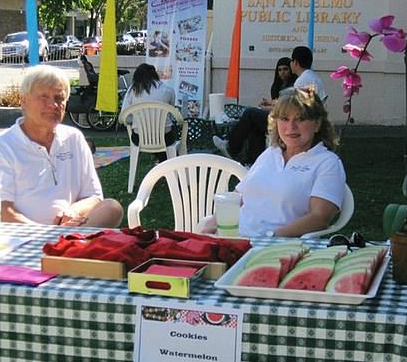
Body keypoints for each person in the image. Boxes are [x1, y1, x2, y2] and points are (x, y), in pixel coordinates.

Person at [0, 65, 123, 227]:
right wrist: (44, 233)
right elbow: (1, 210)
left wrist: (74, 211)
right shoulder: (1, 146)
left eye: (59, 98)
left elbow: (93, 196)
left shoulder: (74, 139)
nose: (53, 105)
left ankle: (67, 247)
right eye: (44, 97)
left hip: (72, 229)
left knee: (112, 208)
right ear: (23, 101)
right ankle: (64, 248)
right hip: (24, 235)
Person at [205, 89, 345, 237]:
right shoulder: (271, 153)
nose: (291, 127)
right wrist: (212, 224)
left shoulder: (327, 163)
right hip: (233, 237)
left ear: (317, 124)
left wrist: (272, 237)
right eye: (284, 119)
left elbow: (319, 218)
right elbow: (238, 195)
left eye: (300, 119)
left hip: (273, 245)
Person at [213, 57, 296, 165]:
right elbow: (278, 103)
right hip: (274, 116)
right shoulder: (277, 86)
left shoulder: (293, 86)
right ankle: (253, 162)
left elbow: (286, 107)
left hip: (281, 120)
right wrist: (269, 103)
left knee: (250, 113)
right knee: (254, 127)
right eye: (280, 70)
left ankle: (231, 146)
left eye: (285, 69)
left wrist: (266, 108)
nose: (282, 73)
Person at [121, 63, 176, 162]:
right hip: (165, 138)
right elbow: (171, 113)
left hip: (140, 138)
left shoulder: (132, 92)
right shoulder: (168, 90)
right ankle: (165, 162)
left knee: (151, 135)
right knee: (166, 133)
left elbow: (125, 117)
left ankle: (161, 161)